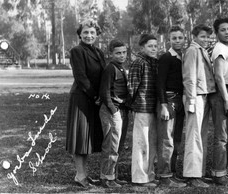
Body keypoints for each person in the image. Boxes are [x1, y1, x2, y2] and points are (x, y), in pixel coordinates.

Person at [65, 19, 105, 188]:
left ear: (97, 35)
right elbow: (81, 77)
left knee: (87, 139)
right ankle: (80, 175)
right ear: (80, 34)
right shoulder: (76, 51)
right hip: (82, 98)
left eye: (92, 33)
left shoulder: (98, 52)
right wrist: (95, 96)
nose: (89, 35)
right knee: (80, 138)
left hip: (94, 99)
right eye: (86, 32)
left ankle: (84, 174)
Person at [182, 24, 216, 188]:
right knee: (193, 136)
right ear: (194, 36)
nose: (206, 39)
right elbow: (189, 77)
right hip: (195, 96)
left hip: (204, 95)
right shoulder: (192, 50)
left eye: (208, 37)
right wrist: (191, 100)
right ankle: (192, 175)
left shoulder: (201, 50)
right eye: (202, 36)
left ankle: (199, 173)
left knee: (201, 136)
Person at [155, 25, 188, 188]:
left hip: (180, 101)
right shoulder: (166, 58)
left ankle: (171, 173)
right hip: (168, 100)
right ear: (169, 40)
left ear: (184, 38)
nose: (177, 41)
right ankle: (164, 176)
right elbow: (159, 83)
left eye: (180, 38)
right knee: (166, 139)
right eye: (174, 38)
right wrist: (163, 105)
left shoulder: (183, 57)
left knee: (176, 139)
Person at [128, 34, 159, 187]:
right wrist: (132, 107)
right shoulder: (138, 63)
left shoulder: (154, 62)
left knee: (151, 143)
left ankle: (149, 175)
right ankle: (139, 178)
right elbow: (131, 88)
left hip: (153, 108)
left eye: (155, 46)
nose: (153, 49)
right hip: (141, 108)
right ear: (142, 47)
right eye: (150, 46)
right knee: (141, 144)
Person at [209, 17, 228, 186]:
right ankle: (219, 174)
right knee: (221, 136)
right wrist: (227, 99)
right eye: (223, 30)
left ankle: (223, 172)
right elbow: (219, 76)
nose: (227, 32)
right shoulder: (219, 48)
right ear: (217, 33)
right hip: (222, 93)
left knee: (227, 135)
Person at [98, 39, 130, 188]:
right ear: (111, 54)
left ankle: (113, 176)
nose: (122, 55)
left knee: (117, 145)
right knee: (111, 145)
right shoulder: (110, 68)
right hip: (111, 111)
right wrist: (114, 110)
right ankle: (106, 178)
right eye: (118, 53)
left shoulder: (121, 67)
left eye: (124, 52)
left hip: (120, 110)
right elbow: (104, 93)